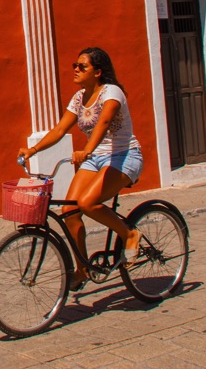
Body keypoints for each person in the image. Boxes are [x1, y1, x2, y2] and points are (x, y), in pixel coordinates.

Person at [17, 46, 144, 291]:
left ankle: (129, 235)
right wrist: (32, 151)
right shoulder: (79, 98)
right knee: (69, 210)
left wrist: (87, 150)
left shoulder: (112, 93)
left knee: (87, 203)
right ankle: (82, 268)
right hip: (95, 158)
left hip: (123, 156)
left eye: (81, 66)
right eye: (74, 66)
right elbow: (59, 130)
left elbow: (104, 123)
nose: (75, 70)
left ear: (97, 72)